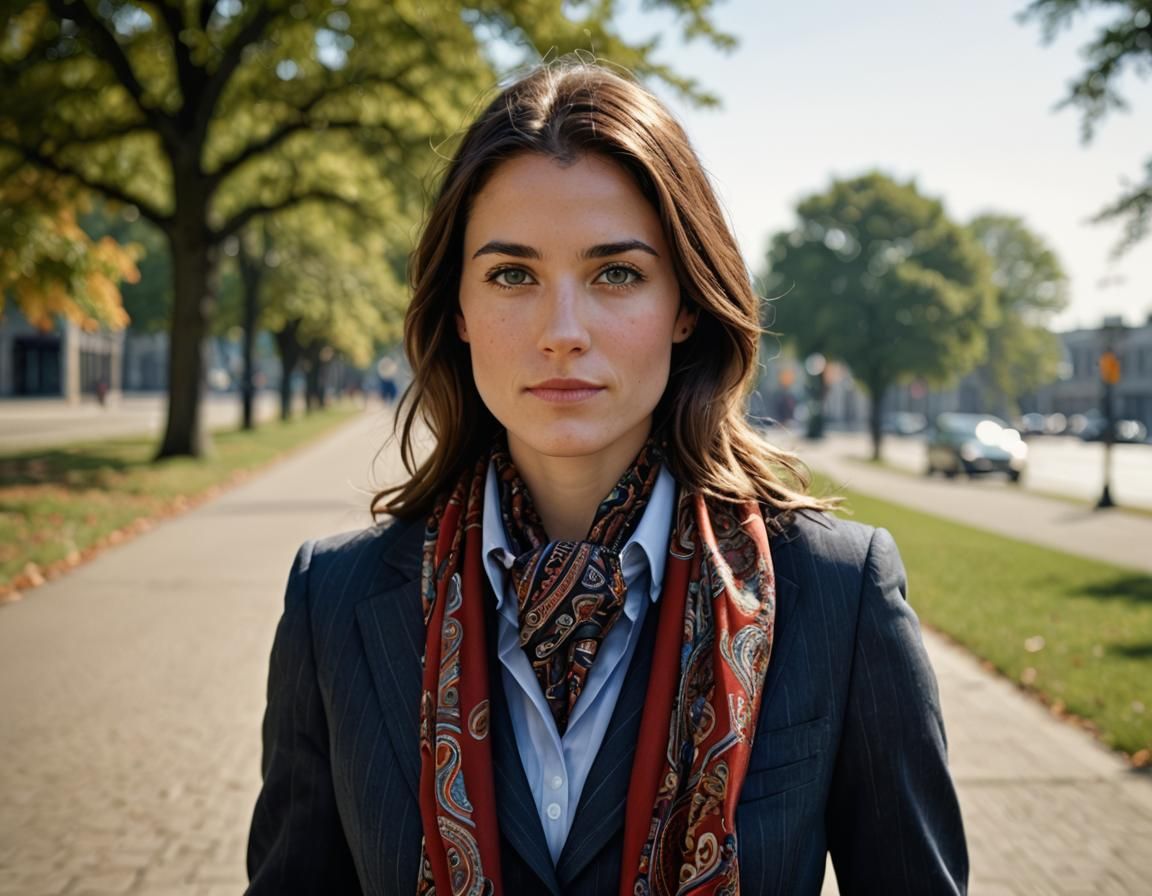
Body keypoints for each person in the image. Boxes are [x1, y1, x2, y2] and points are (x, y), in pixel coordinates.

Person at [246, 60, 968, 895]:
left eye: (616, 274)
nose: (563, 331)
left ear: (685, 305)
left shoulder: (838, 591)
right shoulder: (333, 600)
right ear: (459, 310)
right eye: (512, 275)